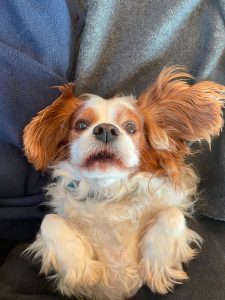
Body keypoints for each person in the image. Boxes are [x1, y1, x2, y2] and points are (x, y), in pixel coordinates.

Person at [0, 1, 225, 299]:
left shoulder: (165, 210)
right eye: (83, 126)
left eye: (129, 128)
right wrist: (55, 233)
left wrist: (169, 225)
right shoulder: (62, 214)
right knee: (52, 224)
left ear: (155, 142)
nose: (105, 132)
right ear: (63, 144)